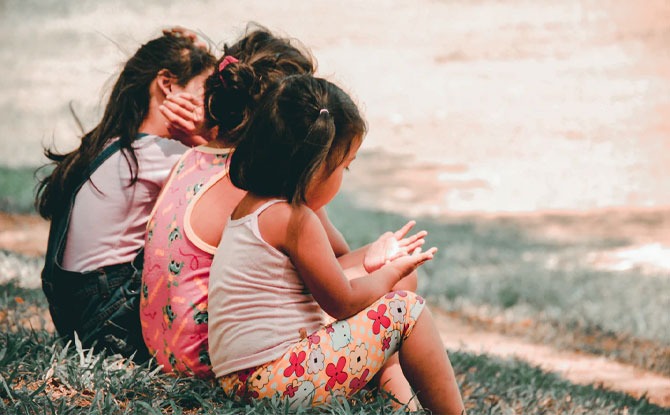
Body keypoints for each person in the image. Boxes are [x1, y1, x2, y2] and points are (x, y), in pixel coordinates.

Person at [141, 26, 423, 409]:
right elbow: (336, 270)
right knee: (400, 278)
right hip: (218, 358)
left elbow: (331, 256)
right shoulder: (263, 190)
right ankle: (397, 393)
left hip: (174, 346)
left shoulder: (195, 158)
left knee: (385, 272)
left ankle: (395, 391)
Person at [208, 74, 466, 414]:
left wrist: (377, 266)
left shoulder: (252, 207)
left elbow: (327, 285)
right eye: (344, 166)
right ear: (315, 167)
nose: (344, 176)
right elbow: (342, 301)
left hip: (242, 380)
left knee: (388, 305)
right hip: (277, 381)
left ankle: (403, 407)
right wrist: (392, 273)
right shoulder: (294, 220)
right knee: (407, 310)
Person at [35, 28, 216, 361]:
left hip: (78, 319)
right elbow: (237, 184)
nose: (209, 106)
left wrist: (193, 52)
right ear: (167, 84)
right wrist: (204, 138)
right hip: (110, 326)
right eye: (205, 91)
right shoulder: (159, 154)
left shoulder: (114, 145)